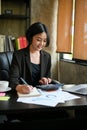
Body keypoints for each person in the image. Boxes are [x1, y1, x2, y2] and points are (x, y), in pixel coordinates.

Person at [9, 22, 52, 94]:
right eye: (38, 40)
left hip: (41, 95)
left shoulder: (47, 57)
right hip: (24, 95)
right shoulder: (18, 55)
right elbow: (12, 80)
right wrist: (20, 87)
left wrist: (46, 80)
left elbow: (48, 76)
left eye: (44, 41)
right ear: (30, 37)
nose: (41, 44)